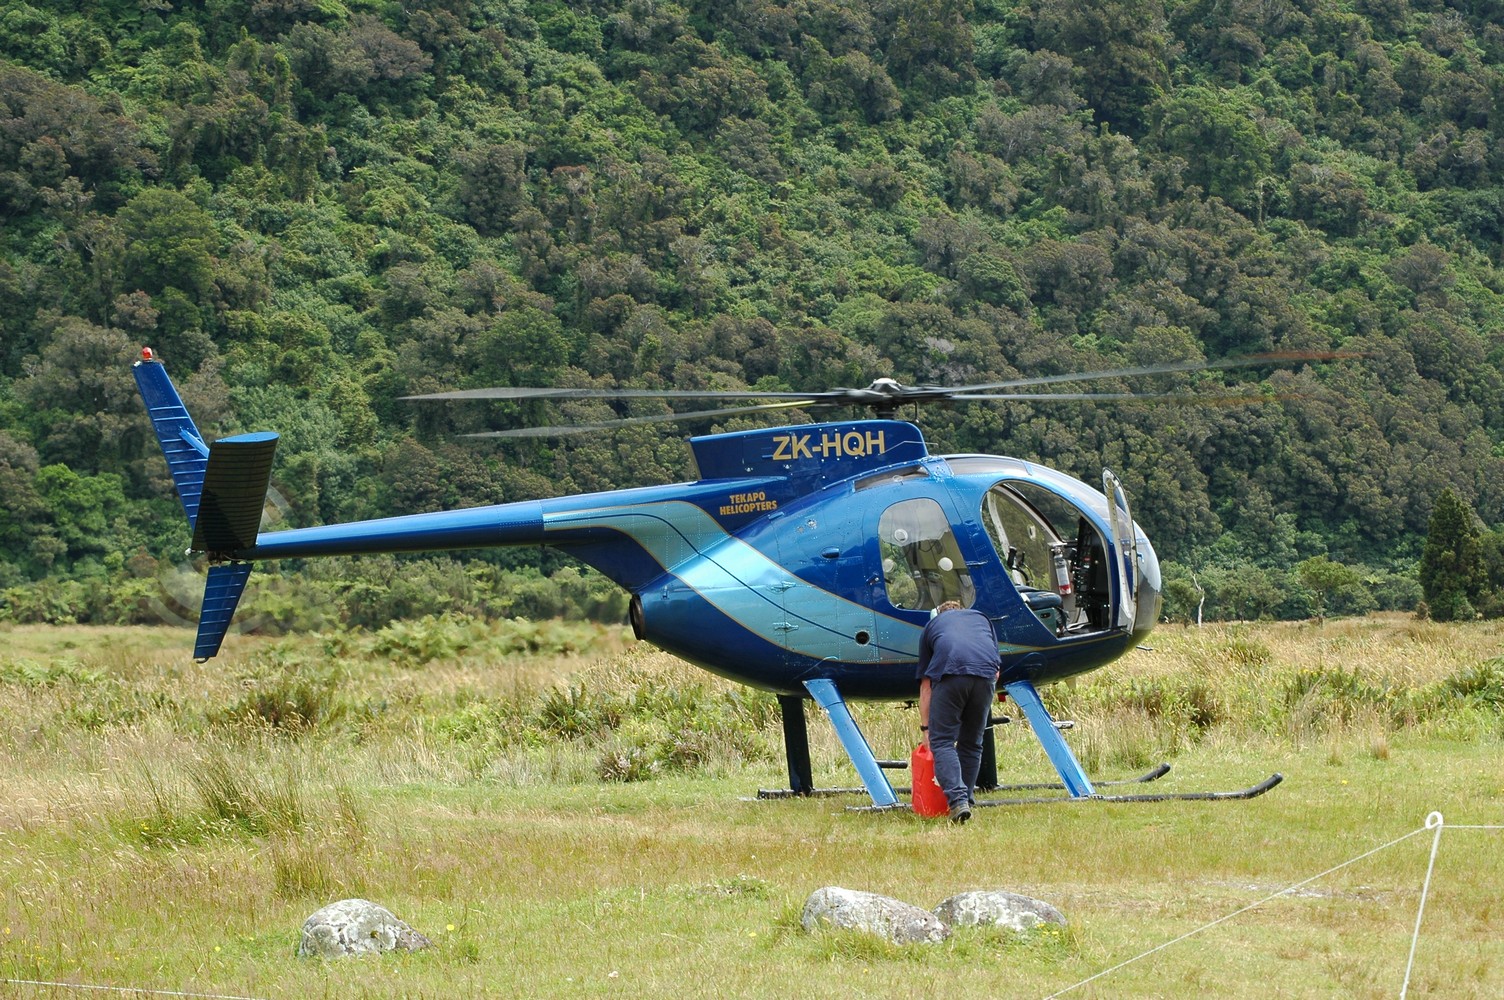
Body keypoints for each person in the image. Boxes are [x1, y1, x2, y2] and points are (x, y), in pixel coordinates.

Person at [916, 600, 1000, 823]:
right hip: (986, 677)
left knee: (942, 741)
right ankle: (967, 800)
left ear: (939, 615)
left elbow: (926, 686)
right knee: (972, 742)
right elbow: (996, 671)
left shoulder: (932, 627)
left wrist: (926, 728)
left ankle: (957, 802)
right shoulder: (980, 618)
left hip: (951, 675)